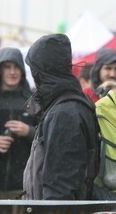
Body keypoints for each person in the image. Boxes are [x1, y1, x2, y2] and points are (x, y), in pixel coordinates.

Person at [23, 34, 98, 200]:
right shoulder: (66, 105)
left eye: (34, 70)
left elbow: (60, 189)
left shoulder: (64, 114)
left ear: (41, 72)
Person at [0, 47, 36, 200]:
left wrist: (28, 131)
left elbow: (45, 134)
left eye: (16, 67)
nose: (12, 72)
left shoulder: (31, 101)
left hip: (22, 185)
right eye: (7, 67)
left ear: (22, 70)